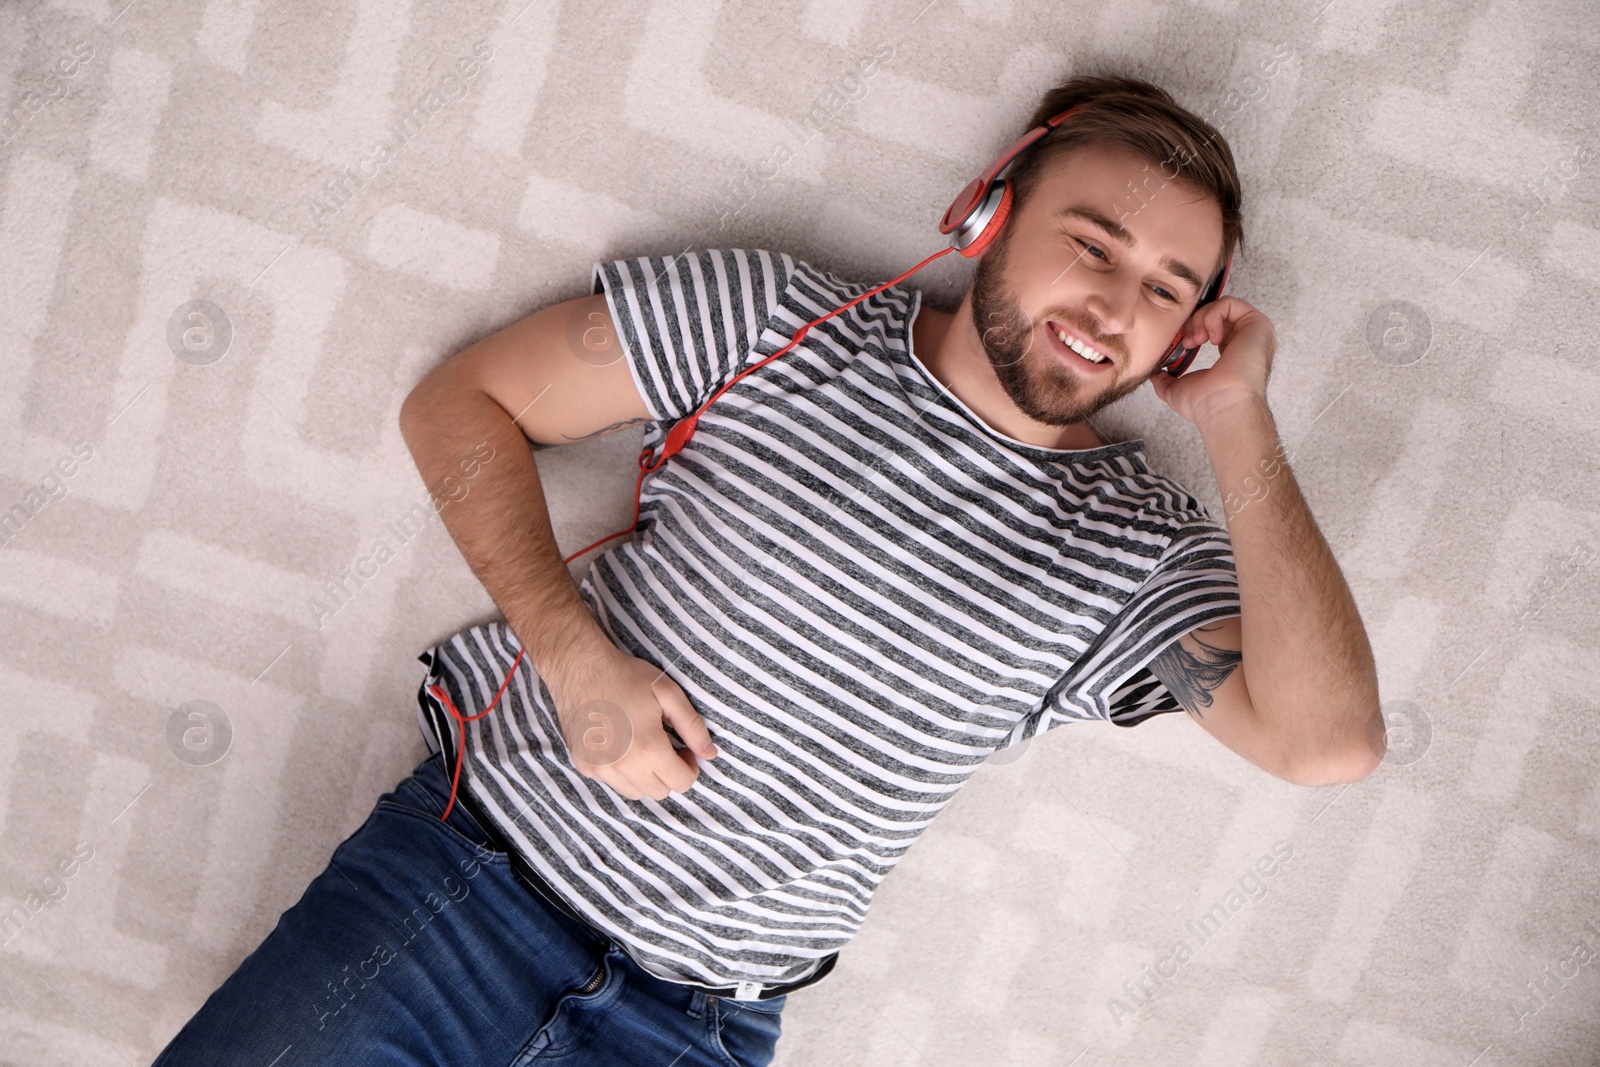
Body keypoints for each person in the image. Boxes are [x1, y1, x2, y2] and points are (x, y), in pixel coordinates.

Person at [151, 73, 1383, 1067]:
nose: (1117, 306)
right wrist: (574, 655)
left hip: (696, 1029)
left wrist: (1237, 420)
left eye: (1168, 289)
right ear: (987, 211)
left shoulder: (1137, 546)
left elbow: (1326, 742)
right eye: (1094, 245)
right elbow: (457, 404)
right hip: (464, 895)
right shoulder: (768, 315)